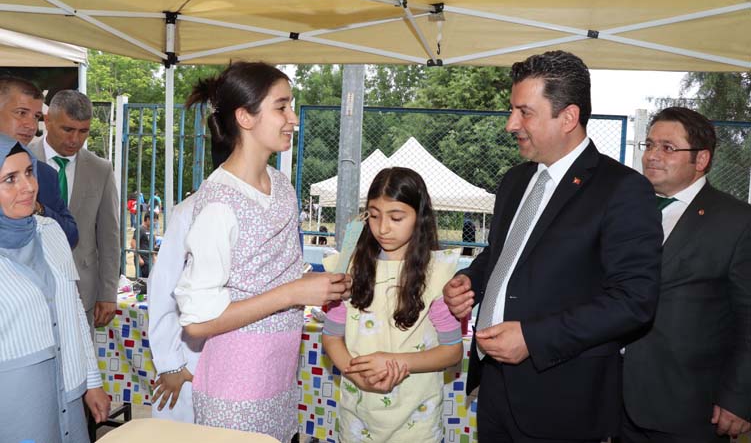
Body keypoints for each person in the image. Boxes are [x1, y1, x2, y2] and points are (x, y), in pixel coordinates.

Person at [443, 50, 663, 442]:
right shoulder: (515, 181)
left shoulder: (622, 190)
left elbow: (634, 300)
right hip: (494, 388)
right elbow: (503, 253)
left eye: (524, 112)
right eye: (512, 110)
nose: (511, 124)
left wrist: (534, 338)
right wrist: (470, 280)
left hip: (562, 402)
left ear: (569, 117)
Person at [173, 61, 350, 441]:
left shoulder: (282, 186)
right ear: (245, 117)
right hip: (234, 392)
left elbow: (273, 276)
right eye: (281, 107)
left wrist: (319, 286)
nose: (293, 118)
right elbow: (196, 323)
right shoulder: (219, 203)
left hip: (279, 381)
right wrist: (293, 293)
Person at [622, 107, 751, 442]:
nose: (652, 155)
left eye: (668, 147)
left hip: (689, 407)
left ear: (701, 159)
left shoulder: (738, 222)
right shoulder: (627, 210)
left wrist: (740, 398)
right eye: (649, 145)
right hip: (616, 401)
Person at [322, 167, 464, 442]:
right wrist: (355, 373)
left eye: (396, 217)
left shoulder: (438, 274)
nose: (383, 228)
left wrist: (396, 362)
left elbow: (452, 351)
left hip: (416, 424)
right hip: (357, 418)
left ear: (419, 217)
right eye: (374, 216)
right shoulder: (347, 268)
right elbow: (331, 336)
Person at [0, 134, 110, 442]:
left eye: (29, 172)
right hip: (15, 402)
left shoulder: (50, 231)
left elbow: (73, 309)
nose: (28, 187)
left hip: (69, 390)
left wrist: (92, 381)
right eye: (10, 179)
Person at [147, 139, 230, 423]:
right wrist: (170, 364)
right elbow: (162, 289)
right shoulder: (190, 211)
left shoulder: (267, 208)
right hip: (190, 360)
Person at [29, 90, 120, 330]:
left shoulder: (101, 170)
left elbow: (109, 235)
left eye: (83, 131)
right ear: (48, 121)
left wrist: (108, 293)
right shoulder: (21, 160)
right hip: (30, 288)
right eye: (68, 129)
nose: (75, 139)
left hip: (83, 292)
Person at [0, 75, 78, 247]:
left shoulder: (45, 174)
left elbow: (71, 237)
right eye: (21, 113)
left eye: (36, 116)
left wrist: (37, 208)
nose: (32, 126)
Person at [131, 214, 153, 278]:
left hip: (148, 260)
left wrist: (154, 258)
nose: (154, 223)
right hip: (142, 260)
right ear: (148, 219)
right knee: (140, 280)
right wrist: (139, 257)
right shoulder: (140, 229)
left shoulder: (150, 230)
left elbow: (152, 245)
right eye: (153, 221)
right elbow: (133, 243)